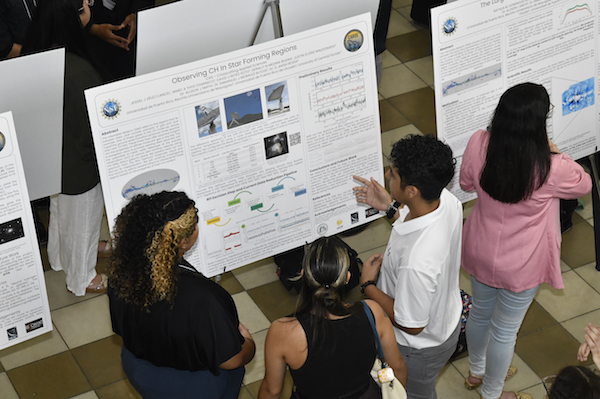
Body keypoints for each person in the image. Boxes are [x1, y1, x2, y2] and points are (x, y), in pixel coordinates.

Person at [460, 83, 592, 399]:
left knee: (479, 313)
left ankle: (476, 372)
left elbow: (466, 183)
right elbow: (584, 183)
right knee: (505, 331)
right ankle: (493, 393)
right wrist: (555, 149)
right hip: (522, 264)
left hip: (480, 249)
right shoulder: (552, 166)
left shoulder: (479, 143)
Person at [108, 191, 255, 399]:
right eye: (195, 224)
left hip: (139, 370)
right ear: (184, 242)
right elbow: (231, 360)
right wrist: (249, 343)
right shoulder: (203, 299)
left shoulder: (121, 273)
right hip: (192, 387)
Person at [353, 134, 463, 399]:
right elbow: (414, 220)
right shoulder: (447, 201)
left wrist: (368, 285)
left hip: (417, 348)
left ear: (412, 190)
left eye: (393, 174)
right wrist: (391, 207)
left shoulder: (418, 261)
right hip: (444, 319)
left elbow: (410, 323)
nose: (387, 174)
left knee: (410, 393)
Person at [22, 0, 109, 295]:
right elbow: (89, 129)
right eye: (85, 4)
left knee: (61, 212)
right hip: (79, 165)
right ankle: (83, 276)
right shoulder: (78, 69)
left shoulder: (37, 55)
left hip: (52, 160)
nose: (90, 5)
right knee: (83, 217)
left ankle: (59, 258)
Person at [259, 236, 407, 399]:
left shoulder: (284, 331)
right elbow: (398, 367)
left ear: (303, 275)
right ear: (347, 278)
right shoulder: (372, 311)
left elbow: (272, 391)